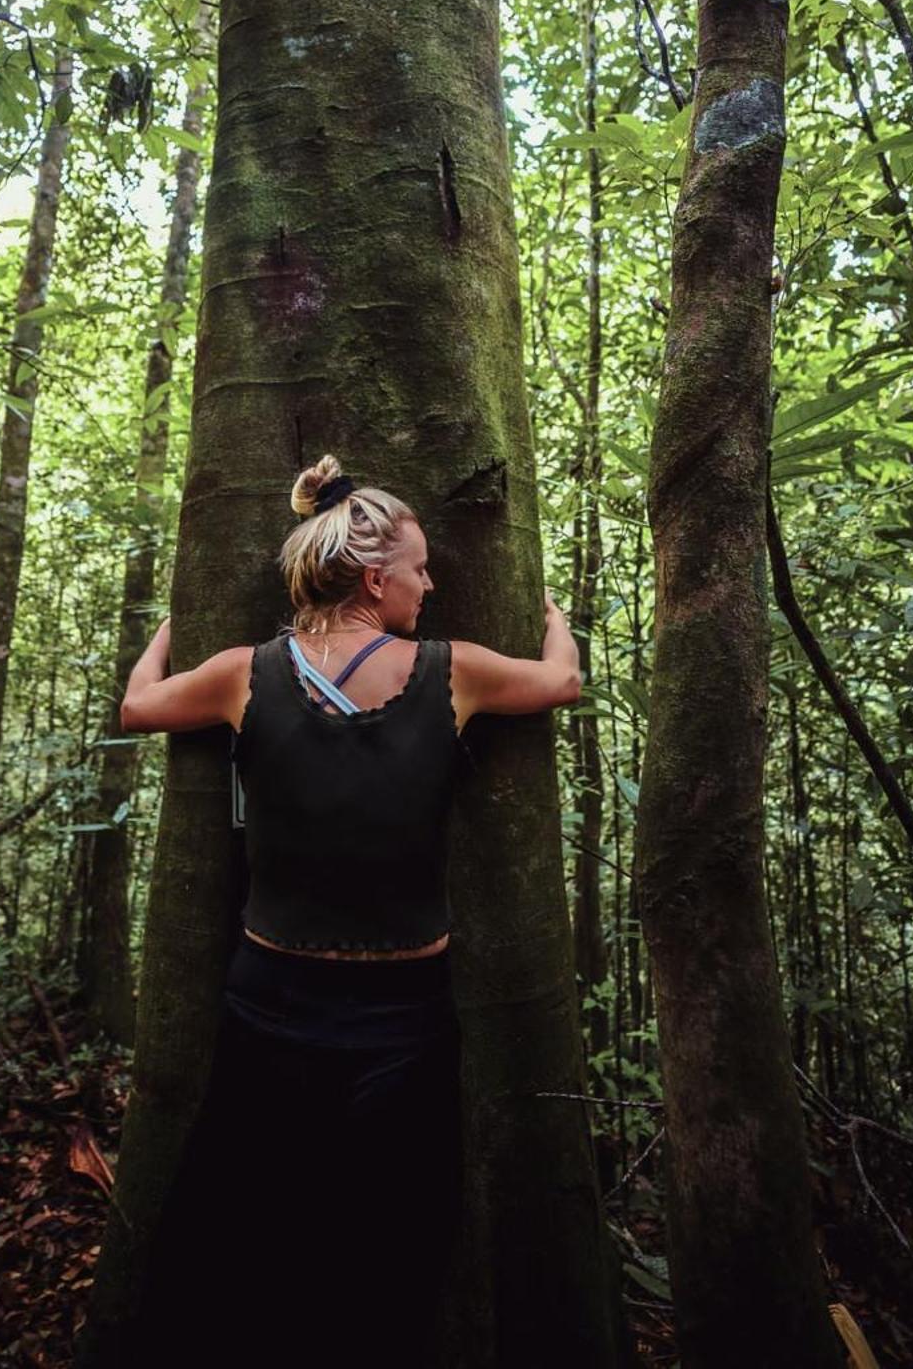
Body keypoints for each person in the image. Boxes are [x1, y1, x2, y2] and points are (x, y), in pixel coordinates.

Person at [119, 454, 582, 1369]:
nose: (431, 583)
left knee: (250, 1231)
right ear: (376, 579)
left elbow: (138, 706)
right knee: (389, 1254)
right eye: (419, 569)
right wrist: (556, 620)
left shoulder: (239, 673)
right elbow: (562, 683)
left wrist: (172, 631)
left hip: (270, 1004)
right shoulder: (455, 673)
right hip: (399, 1019)